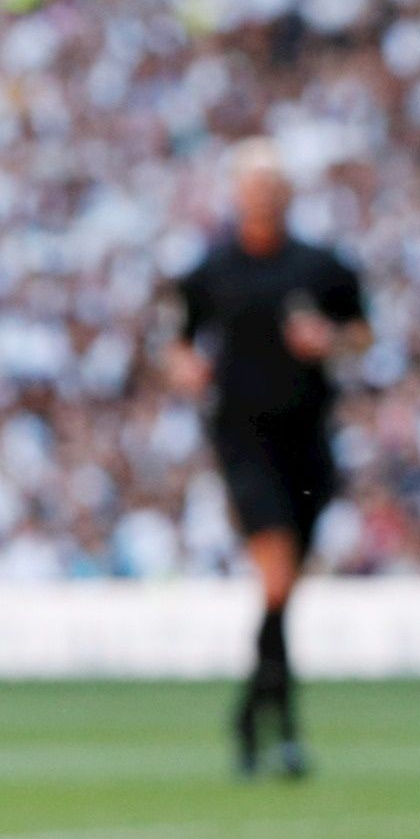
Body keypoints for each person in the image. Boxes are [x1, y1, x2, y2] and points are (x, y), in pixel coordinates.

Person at [166, 139, 369, 779]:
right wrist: (187, 368)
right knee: (277, 578)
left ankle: (252, 716)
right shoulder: (212, 269)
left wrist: (329, 340)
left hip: (308, 441)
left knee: (284, 591)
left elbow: (361, 332)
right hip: (243, 439)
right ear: (236, 193)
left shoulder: (322, 266)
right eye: (252, 185)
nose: (262, 195)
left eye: (273, 184)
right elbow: (178, 338)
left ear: (287, 194)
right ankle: (283, 730)